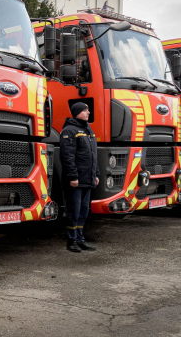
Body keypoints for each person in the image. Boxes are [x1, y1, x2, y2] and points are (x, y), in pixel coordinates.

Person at [60, 102, 100, 253]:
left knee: (83, 211)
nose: (88, 112)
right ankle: (71, 241)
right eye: (85, 110)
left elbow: (93, 155)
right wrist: (72, 176)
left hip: (87, 179)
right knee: (73, 212)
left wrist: (96, 174)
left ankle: (80, 239)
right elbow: (67, 156)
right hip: (75, 180)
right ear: (77, 113)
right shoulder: (69, 130)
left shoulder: (88, 130)